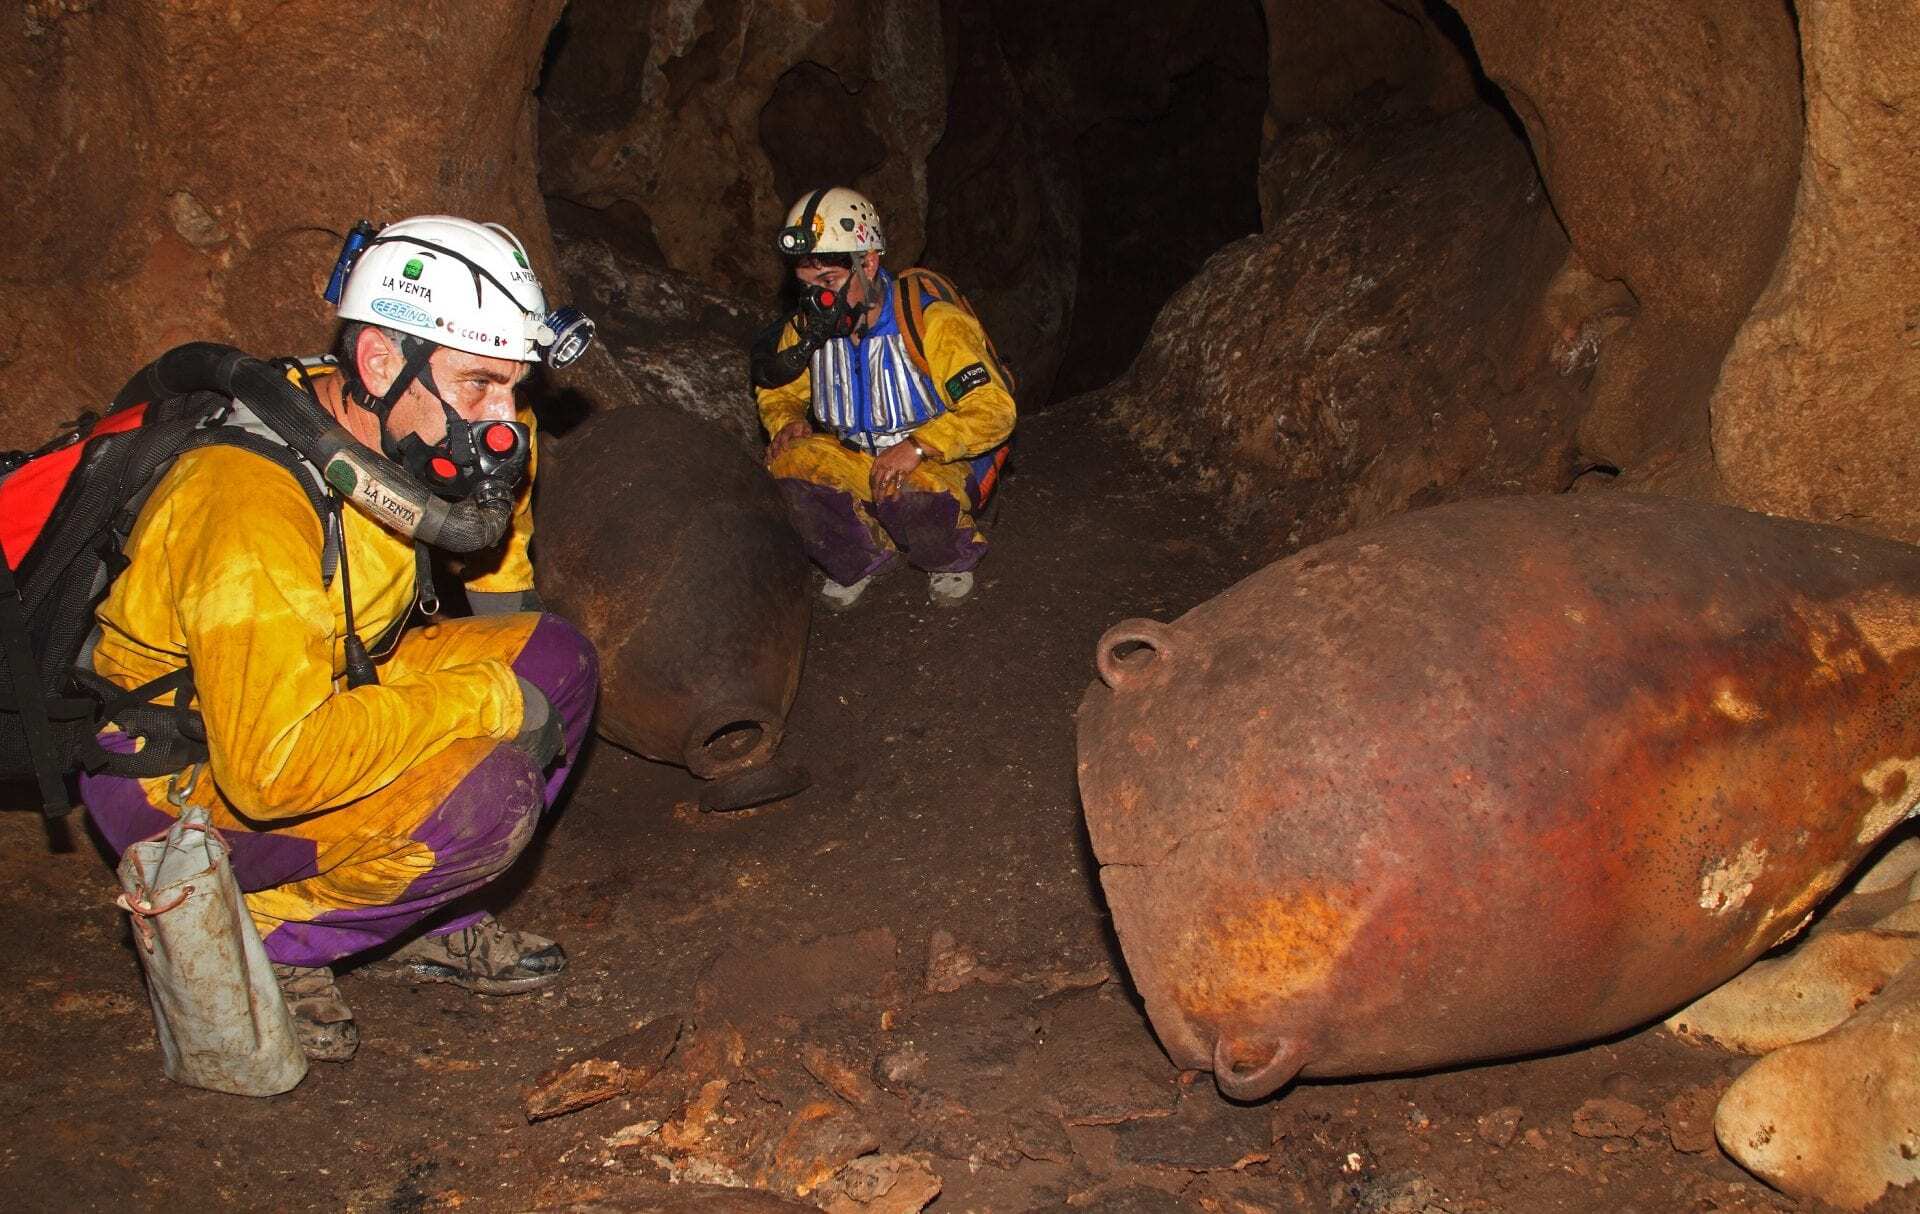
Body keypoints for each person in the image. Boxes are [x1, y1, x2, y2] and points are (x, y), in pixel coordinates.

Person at [77, 215, 600, 1063]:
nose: (503, 420)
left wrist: (506, 691)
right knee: (491, 792)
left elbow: (507, 599)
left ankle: (430, 904)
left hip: (332, 684)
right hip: (181, 770)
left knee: (557, 664)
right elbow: (273, 770)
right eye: (479, 387)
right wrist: (484, 708)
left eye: (516, 387)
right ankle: (269, 935)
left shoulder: (442, 420)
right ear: (381, 363)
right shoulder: (251, 509)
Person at [752, 187, 1015, 611]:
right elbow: (777, 387)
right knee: (787, 466)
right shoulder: (808, 328)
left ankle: (950, 557)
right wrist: (785, 420)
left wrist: (917, 446)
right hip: (860, 455)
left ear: (868, 263)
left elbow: (995, 410)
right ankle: (864, 557)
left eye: (829, 282)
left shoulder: (931, 322)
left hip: (939, 458)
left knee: (911, 490)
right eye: (807, 285)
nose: (819, 298)